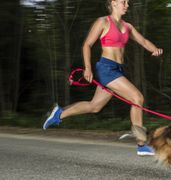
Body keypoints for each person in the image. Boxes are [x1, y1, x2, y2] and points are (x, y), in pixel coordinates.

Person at [42, 0, 163, 156]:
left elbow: (144, 41)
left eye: (127, 2)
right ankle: (141, 144)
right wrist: (88, 67)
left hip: (117, 70)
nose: (127, 5)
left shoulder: (128, 27)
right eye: (123, 2)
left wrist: (155, 49)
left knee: (95, 106)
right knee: (137, 98)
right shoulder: (103, 22)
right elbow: (87, 45)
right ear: (113, 3)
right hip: (106, 69)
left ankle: (59, 114)